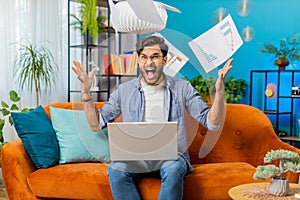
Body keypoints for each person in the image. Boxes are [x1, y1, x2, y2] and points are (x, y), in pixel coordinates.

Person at [71, 35, 232, 200]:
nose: (149, 62)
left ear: (165, 60)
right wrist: (85, 93)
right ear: (139, 61)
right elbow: (96, 124)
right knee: (116, 169)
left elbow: (211, 123)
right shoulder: (124, 90)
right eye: (144, 57)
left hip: (171, 158)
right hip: (135, 159)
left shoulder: (182, 88)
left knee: (173, 169)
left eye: (155, 57)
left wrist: (219, 92)